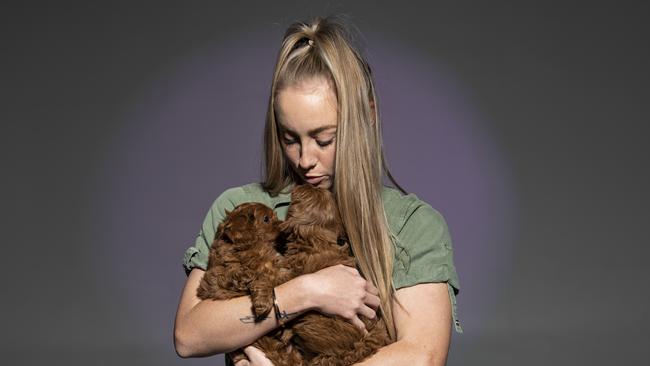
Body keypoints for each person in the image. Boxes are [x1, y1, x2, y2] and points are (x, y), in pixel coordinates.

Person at [174, 15, 462, 366]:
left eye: (324, 139)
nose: (305, 159)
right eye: (289, 138)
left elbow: (422, 356)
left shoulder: (411, 225)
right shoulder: (244, 209)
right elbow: (189, 335)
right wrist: (307, 292)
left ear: (367, 117)